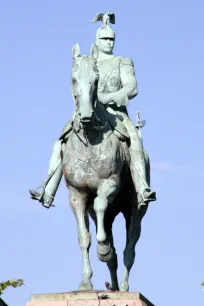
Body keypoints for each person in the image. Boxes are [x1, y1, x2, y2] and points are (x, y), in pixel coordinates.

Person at [29, 12, 156, 208]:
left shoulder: (122, 61)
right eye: (104, 39)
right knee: (60, 142)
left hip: (116, 114)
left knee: (135, 141)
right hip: (87, 112)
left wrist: (108, 97)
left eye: (111, 39)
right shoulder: (88, 62)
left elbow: (132, 88)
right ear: (97, 40)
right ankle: (47, 190)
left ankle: (142, 188)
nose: (108, 42)